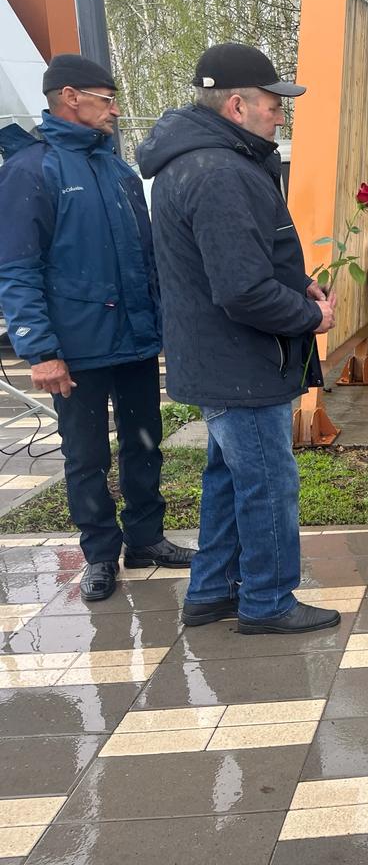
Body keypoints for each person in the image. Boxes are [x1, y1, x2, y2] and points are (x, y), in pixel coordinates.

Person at [136, 43, 339, 635]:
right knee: (268, 484)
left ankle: (212, 590)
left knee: (229, 478)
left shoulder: (205, 161)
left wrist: (298, 283)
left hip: (222, 356)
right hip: (240, 360)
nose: (281, 114)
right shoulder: (219, 172)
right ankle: (268, 600)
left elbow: (243, 259)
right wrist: (310, 317)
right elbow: (242, 290)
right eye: (274, 104)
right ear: (236, 106)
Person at [0, 54, 193, 602]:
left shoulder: (117, 170)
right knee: (85, 456)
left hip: (134, 341)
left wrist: (164, 322)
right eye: (106, 100)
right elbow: (16, 268)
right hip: (75, 350)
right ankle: (101, 554)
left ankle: (147, 538)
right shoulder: (31, 170)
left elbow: (148, 258)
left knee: (145, 443)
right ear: (70, 97)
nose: (115, 110)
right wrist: (40, 351)